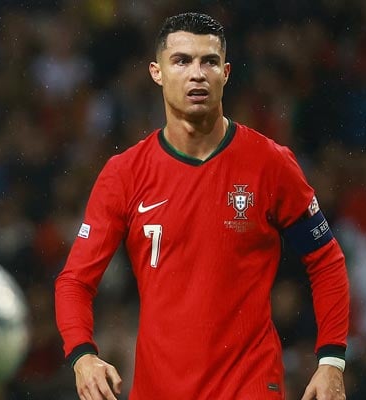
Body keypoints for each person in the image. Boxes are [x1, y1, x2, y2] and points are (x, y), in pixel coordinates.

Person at [54, 12, 350, 400]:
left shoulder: (270, 163)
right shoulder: (124, 174)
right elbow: (75, 281)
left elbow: (325, 260)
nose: (197, 73)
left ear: (225, 73)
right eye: (181, 61)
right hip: (158, 389)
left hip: (250, 385)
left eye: (209, 61)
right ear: (156, 72)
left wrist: (331, 360)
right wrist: (82, 355)